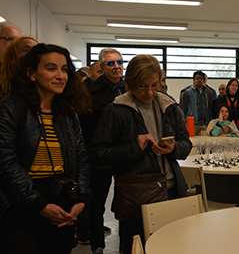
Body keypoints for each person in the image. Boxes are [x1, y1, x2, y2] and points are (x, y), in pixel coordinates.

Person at [88, 54, 191, 254]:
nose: (150, 92)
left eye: (155, 85)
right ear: (131, 82)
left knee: (170, 247)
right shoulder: (117, 110)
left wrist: (174, 148)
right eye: (143, 86)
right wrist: (135, 148)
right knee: (136, 248)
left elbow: (185, 143)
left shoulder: (169, 106)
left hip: (171, 190)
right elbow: (97, 154)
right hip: (137, 195)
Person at [0, 43, 91, 253]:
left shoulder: (67, 114)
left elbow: (82, 159)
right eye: (51, 68)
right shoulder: (10, 109)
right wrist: (39, 205)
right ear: (32, 74)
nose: (60, 76)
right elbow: (5, 164)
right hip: (22, 206)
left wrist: (82, 198)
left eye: (64, 69)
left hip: (62, 203)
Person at [76, 47, 126, 251]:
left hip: (126, 153)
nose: (116, 67)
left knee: (128, 202)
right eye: (111, 63)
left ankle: (128, 242)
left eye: (120, 62)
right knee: (97, 204)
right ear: (102, 67)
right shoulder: (88, 93)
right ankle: (97, 244)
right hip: (100, 155)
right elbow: (83, 128)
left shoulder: (129, 90)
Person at [179, 71, 214, 135]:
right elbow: (182, 108)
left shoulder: (208, 92)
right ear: (193, 80)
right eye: (197, 78)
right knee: (191, 143)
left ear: (204, 80)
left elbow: (210, 108)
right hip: (191, 124)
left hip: (204, 124)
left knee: (204, 143)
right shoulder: (187, 92)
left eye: (201, 78)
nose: (199, 80)